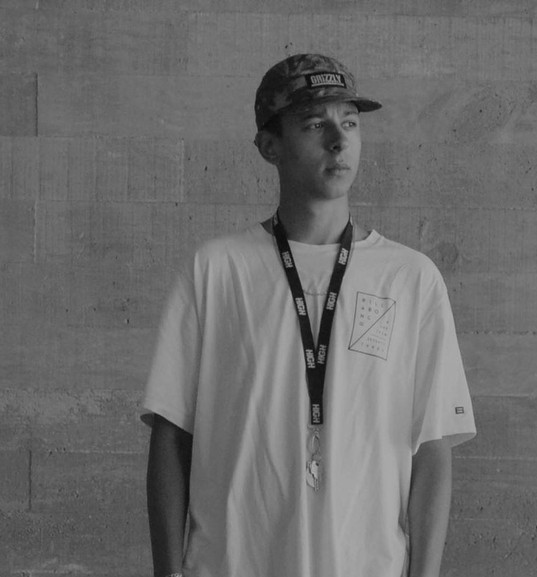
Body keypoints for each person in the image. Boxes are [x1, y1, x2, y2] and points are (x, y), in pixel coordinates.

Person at [143, 53, 476, 577]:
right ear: (269, 145)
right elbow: (171, 434)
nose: (339, 141)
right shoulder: (217, 270)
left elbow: (431, 445)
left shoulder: (409, 278)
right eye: (315, 124)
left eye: (350, 123)